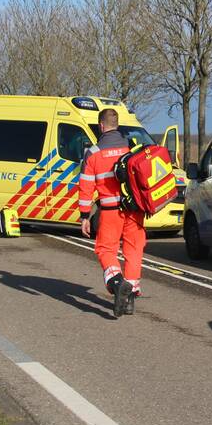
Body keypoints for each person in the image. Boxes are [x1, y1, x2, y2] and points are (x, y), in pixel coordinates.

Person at [78, 108, 145, 317]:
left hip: (110, 211)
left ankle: (117, 285)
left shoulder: (94, 153)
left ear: (101, 126)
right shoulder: (132, 147)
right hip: (135, 211)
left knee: (106, 250)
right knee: (134, 251)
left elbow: (86, 186)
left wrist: (84, 216)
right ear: (117, 125)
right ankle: (130, 299)